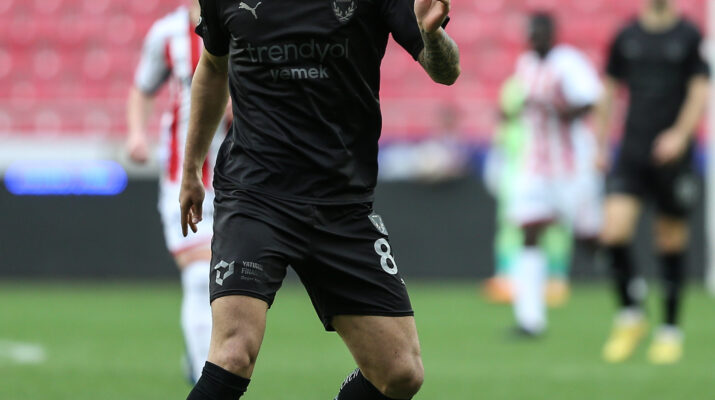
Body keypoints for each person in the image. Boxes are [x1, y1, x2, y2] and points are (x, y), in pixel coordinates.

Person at [179, 0, 460, 398]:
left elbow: (446, 71)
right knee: (233, 353)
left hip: (342, 203)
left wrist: (432, 36)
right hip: (255, 195)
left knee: (401, 373)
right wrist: (192, 166)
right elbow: (212, 67)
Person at [597, 0, 709, 364]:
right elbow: (609, 88)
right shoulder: (627, 35)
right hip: (632, 149)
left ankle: (670, 330)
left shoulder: (689, 35)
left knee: (670, 239)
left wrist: (680, 135)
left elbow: (699, 90)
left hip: (673, 156)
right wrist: (600, 143)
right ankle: (631, 314)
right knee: (613, 231)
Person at [125, 0, 226, 382]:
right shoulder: (167, 33)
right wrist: (137, 134)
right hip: (183, 178)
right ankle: (205, 374)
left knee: (228, 281)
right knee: (200, 276)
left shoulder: (247, 25)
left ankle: (204, 353)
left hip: (244, 179)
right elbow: (142, 88)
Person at [505, 13, 603, 337]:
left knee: (589, 236)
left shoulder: (568, 63)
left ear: (552, 34)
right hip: (536, 164)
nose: (535, 40)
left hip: (571, 164)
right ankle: (530, 319)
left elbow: (590, 101)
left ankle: (627, 285)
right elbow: (524, 105)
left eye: (540, 34)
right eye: (531, 34)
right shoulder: (526, 64)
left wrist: (558, 109)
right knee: (529, 230)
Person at [483, 76, 575, 308]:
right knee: (512, 226)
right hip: (516, 174)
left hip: (551, 170)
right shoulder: (514, 92)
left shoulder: (556, 86)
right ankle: (508, 276)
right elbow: (503, 135)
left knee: (555, 226)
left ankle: (555, 278)